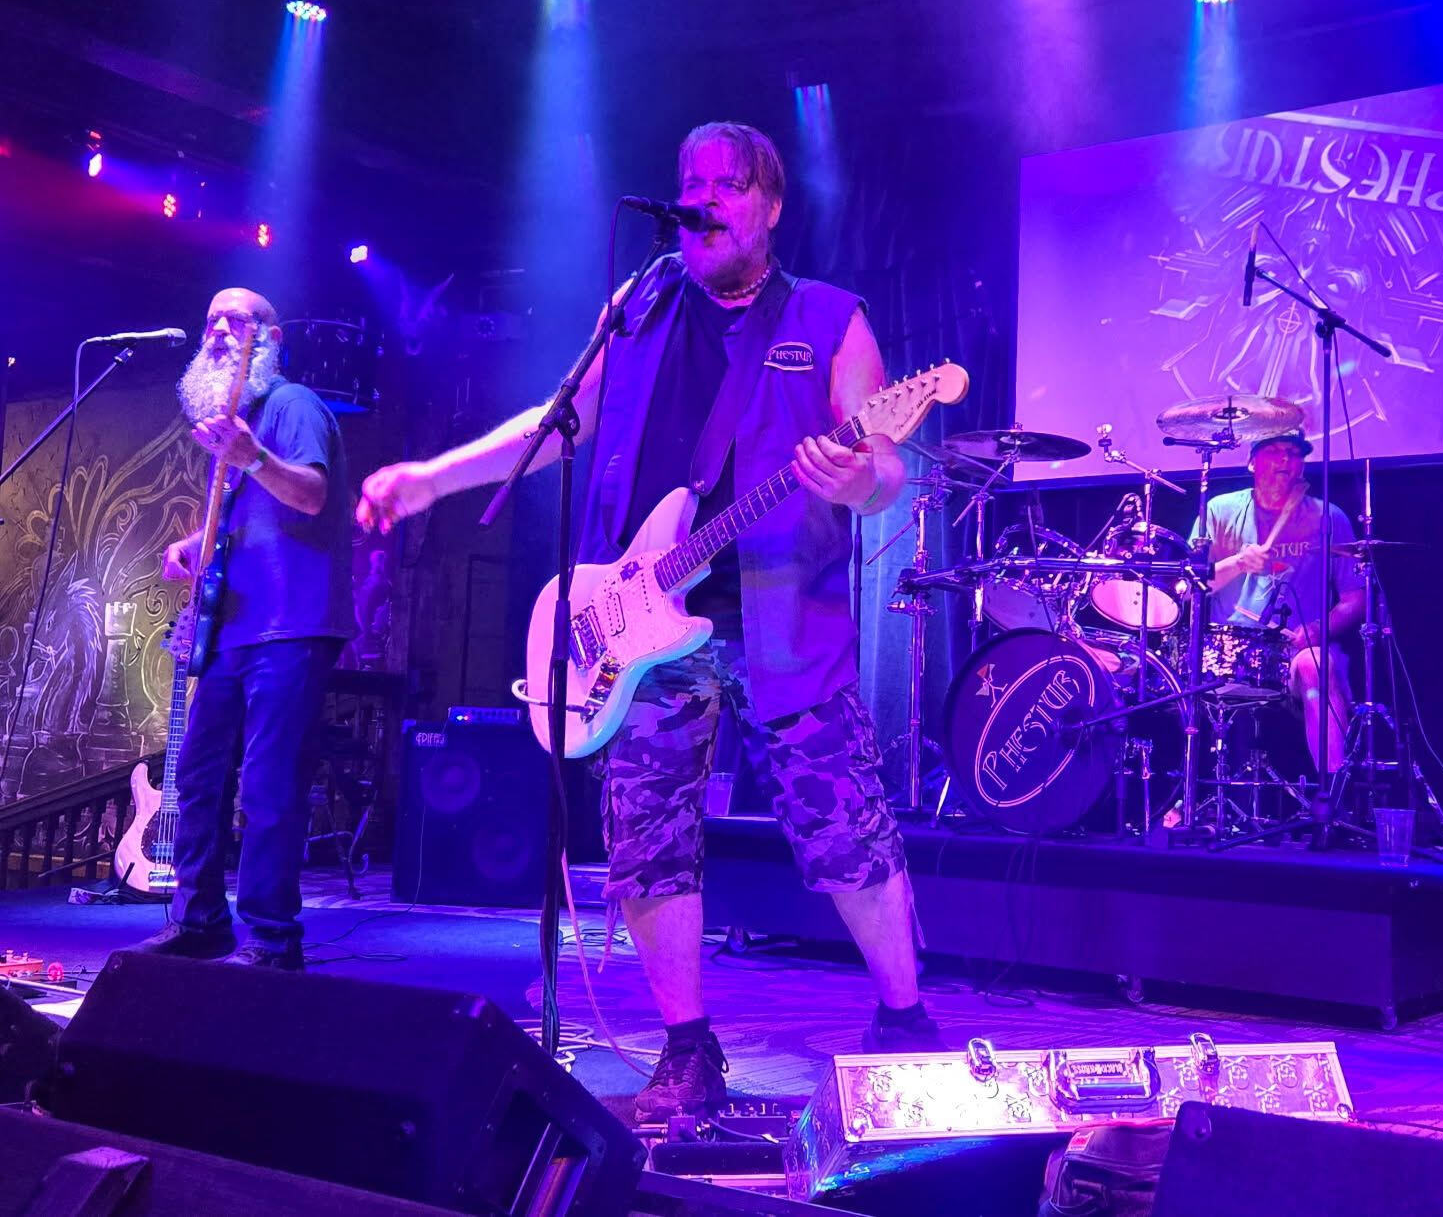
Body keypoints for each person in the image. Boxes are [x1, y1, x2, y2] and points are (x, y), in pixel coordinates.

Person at [358, 122, 941, 1121]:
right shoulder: (637, 305)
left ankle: (904, 1019)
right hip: (637, 617)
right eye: (691, 182)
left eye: (728, 184)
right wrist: (431, 479)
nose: (703, 198)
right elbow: (555, 425)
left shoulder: (828, 318)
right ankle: (687, 1046)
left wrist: (862, 477)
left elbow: (883, 463)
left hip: (781, 621)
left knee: (843, 823)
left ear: (770, 206)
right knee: (647, 837)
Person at [134, 287, 354, 969]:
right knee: (197, 778)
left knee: (267, 783)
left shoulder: (292, 406)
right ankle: (199, 919)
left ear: (273, 338)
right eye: (211, 321)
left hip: (291, 626)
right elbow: (243, 526)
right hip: (233, 631)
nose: (219, 331)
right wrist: (190, 547)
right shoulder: (237, 428)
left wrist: (252, 456)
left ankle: (271, 936)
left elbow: (311, 494)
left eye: (237, 320)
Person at [1194, 430, 1364, 772]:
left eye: (1294, 452)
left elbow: (1354, 598)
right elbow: (1192, 585)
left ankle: (1334, 789)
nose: (1285, 460)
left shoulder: (1327, 517)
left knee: (1317, 666)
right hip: (1228, 653)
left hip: (1295, 651)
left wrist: (1319, 629)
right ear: (1252, 462)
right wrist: (1238, 563)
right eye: (1273, 451)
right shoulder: (1219, 511)